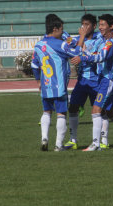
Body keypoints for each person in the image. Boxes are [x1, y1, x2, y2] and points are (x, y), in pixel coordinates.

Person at [75, 14, 113, 151]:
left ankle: (96, 144)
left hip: (108, 81)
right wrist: (80, 43)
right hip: (103, 79)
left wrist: (83, 57)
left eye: (103, 25)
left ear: (111, 27)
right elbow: (89, 49)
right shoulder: (101, 40)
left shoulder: (111, 43)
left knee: (96, 110)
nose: (100, 27)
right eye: (100, 25)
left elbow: (100, 57)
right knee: (110, 112)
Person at [31, 14, 89, 151]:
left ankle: (44, 137)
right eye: (62, 29)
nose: (63, 32)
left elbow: (34, 65)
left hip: (45, 85)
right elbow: (77, 52)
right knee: (61, 113)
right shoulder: (60, 44)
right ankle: (58, 145)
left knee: (46, 111)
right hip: (59, 86)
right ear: (55, 29)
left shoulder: (38, 45)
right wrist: (82, 36)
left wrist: (38, 81)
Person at [64, 14, 102, 150]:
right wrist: (80, 38)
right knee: (73, 107)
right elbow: (75, 53)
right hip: (81, 81)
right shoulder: (78, 39)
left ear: (94, 26)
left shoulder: (100, 39)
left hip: (96, 80)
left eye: (87, 24)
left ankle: (103, 140)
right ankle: (73, 139)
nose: (84, 27)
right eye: (83, 24)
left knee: (100, 111)